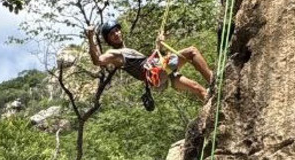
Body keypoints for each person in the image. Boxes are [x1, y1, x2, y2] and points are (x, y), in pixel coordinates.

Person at [85, 20, 213, 102]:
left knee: (198, 89)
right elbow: (98, 61)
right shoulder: (114, 54)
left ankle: (212, 107)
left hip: (160, 72)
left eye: (117, 30)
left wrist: (158, 46)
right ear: (109, 40)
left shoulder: (128, 50)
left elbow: (149, 61)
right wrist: (90, 37)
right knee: (191, 52)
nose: (116, 34)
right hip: (156, 73)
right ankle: (215, 82)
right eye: (112, 34)